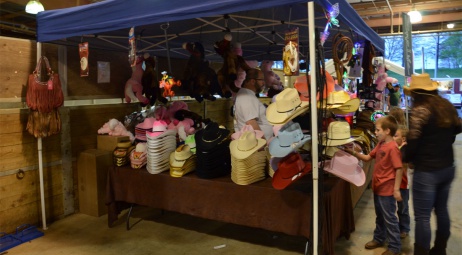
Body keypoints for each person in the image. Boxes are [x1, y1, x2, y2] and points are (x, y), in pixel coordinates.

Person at [402, 73, 462, 255]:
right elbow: (458, 126)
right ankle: (440, 249)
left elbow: (413, 141)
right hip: (447, 166)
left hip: (427, 171)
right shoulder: (446, 106)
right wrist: (444, 141)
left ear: (417, 93)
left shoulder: (421, 109)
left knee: (422, 217)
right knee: (441, 210)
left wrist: (407, 158)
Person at [344, 115, 403, 255]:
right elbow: (368, 158)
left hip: (387, 190)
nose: (375, 133)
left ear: (387, 131)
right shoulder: (381, 144)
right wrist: (352, 152)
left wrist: (396, 189)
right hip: (378, 187)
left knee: (390, 218)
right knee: (380, 216)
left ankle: (395, 247)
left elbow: (399, 168)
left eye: (377, 130)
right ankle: (379, 238)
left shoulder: (393, 148)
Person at [234, 68, 273, 140]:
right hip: (257, 145)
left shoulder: (247, 94)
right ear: (252, 81)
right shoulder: (247, 97)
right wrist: (263, 143)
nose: (263, 83)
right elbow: (251, 122)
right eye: (261, 80)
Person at [393, 125, 411, 239]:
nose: (393, 138)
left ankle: (404, 228)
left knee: (403, 208)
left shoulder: (404, 150)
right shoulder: (396, 147)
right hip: (394, 183)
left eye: (395, 136)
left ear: (403, 139)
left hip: (403, 185)